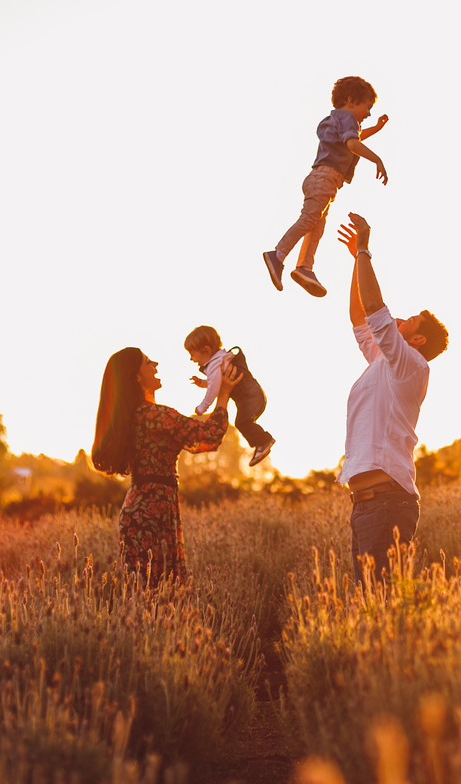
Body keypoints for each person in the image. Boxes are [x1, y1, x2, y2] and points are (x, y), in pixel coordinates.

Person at [335, 212, 449, 585]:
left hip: (386, 503)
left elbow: (374, 310)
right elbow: (359, 317)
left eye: (410, 320)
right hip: (369, 506)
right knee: (373, 609)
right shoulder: (384, 361)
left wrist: (366, 250)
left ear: (417, 341)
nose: (400, 317)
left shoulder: (410, 364)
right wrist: (355, 260)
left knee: (379, 607)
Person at [91, 347, 242, 585]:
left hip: (144, 509)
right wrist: (223, 394)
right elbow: (209, 435)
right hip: (153, 513)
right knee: (161, 594)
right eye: (148, 362)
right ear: (137, 376)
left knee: (149, 597)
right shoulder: (156, 416)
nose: (156, 365)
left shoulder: (133, 417)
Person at [263, 76, 389, 299]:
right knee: (310, 219)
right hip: (325, 178)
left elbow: (355, 137)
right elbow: (353, 143)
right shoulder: (347, 118)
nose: (368, 113)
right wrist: (377, 159)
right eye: (367, 107)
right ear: (351, 100)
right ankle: (278, 255)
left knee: (317, 226)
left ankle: (304, 267)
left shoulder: (338, 119)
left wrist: (376, 128)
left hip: (322, 179)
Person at [184, 325, 275, 467]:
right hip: (252, 396)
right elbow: (216, 381)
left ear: (206, 350)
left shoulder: (215, 364)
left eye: (192, 354)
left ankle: (263, 441)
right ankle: (261, 443)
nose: (191, 358)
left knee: (242, 423)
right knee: (244, 422)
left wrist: (203, 406)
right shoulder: (221, 360)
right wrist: (202, 382)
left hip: (250, 397)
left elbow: (214, 388)